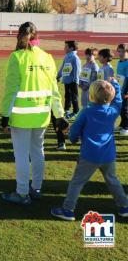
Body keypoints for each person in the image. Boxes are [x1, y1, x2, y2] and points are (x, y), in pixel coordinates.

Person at [1, 22, 66, 205]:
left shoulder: (17, 57)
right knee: (38, 152)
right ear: (37, 37)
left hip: (21, 117)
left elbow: (11, 91)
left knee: (21, 155)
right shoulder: (47, 58)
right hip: (42, 116)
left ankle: (22, 193)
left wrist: (5, 116)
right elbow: (54, 91)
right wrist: (59, 115)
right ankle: (36, 188)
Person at [51, 79, 128, 221]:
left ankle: (68, 210)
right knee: (113, 180)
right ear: (110, 97)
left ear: (92, 95)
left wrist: (72, 139)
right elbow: (118, 102)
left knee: (77, 182)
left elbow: (74, 131)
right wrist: (116, 84)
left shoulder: (86, 111)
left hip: (89, 155)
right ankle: (124, 206)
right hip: (108, 155)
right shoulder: (112, 111)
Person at [57, 40, 81, 119]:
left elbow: (77, 70)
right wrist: (58, 76)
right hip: (66, 80)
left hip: (73, 81)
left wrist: (75, 80)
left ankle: (76, 111)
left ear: (71, 48)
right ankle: (66, 110)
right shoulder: (67, 56)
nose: (64, 48)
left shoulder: (75, 57)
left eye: (66, 46)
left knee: (74, 97)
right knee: (67, 96)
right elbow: (63, 67)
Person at [116, 44, 128, 136]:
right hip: (120, 89)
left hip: (126, 91)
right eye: (119, 51)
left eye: (123, 51)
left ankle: (126, 128)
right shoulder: (119, 62)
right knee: (120, 108)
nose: (121, 53)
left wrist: (126, 92)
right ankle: (122, 124)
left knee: (125, 109)